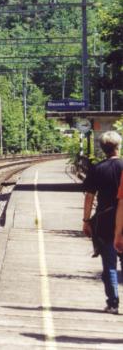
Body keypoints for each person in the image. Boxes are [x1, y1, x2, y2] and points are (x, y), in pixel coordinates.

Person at [84, 131, 123, 314]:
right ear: (119, 146)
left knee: (109, 264)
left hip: (105, 221)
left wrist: (86, 220)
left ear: (102, 148)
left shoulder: (97, 169)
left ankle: (113, 303)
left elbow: (89, 197)